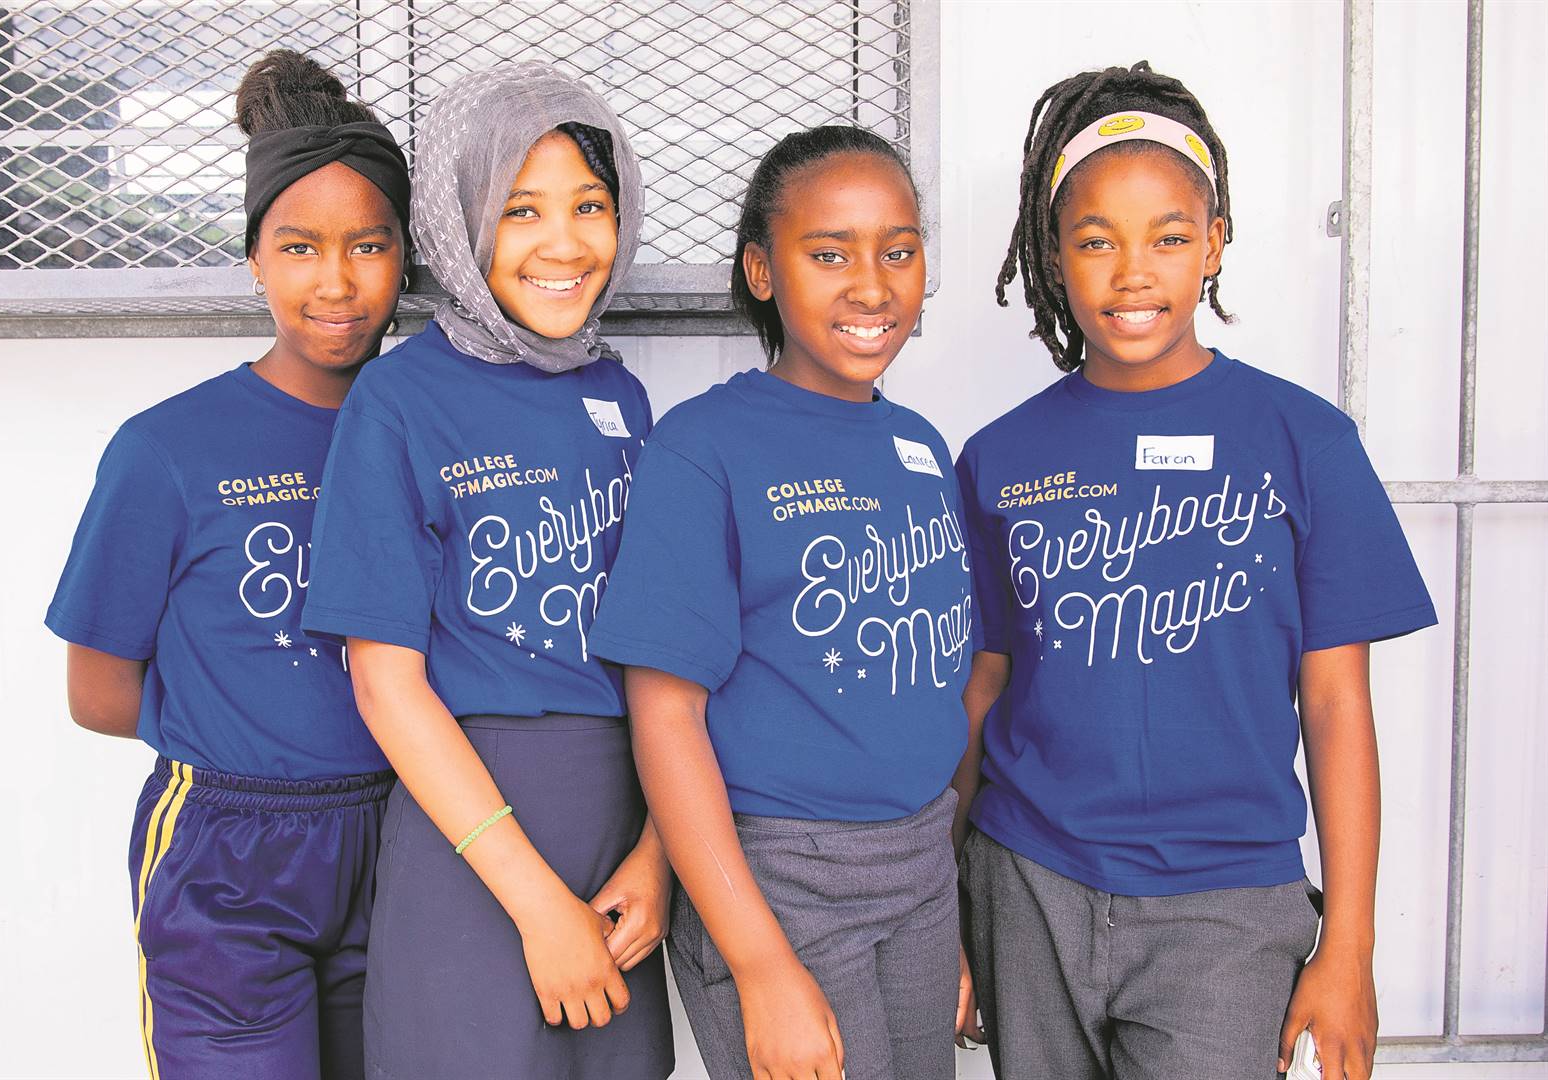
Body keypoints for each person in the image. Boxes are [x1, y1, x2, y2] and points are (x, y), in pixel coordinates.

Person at [952, 60, 1437, 1080]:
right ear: (1054, 254)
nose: (1133, 272)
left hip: (1227, 906)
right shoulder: (998, 458)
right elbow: (981, 686)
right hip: (1027, 882)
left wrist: (1349, 945)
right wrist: (946, 906)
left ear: (1214, 243)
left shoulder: (1305, 441)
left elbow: (1336, 703)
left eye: (1169, 237)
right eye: (1097, 240)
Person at [300, 62, 674, 1080]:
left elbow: (666, 660)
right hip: (476, 845)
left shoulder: (622, 399)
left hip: (623, 838)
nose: (565, 244)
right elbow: (385, 685)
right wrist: (538, 904)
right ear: (460, 222)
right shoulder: (398, 403)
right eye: (520, 210)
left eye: (589, 205)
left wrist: (660, 857)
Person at [45, 49, 409, 1079]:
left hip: (404, 842)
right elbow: (98, 692)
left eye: (368, 245)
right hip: (228, 857)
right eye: (298, 247)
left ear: (406, 257)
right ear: (254, 257)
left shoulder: (429, 433)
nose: (336, 282)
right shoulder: (168, 450)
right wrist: (252, 730)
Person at [590, 125, 977, 1080]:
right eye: (829, 254)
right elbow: (666, 715)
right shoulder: (705, 447)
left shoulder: (923, 448)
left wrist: (949, 909)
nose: (872, 286)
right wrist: (761, 966)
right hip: (784, 876)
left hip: (923, 868)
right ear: (762, 271)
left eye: (898, 251)